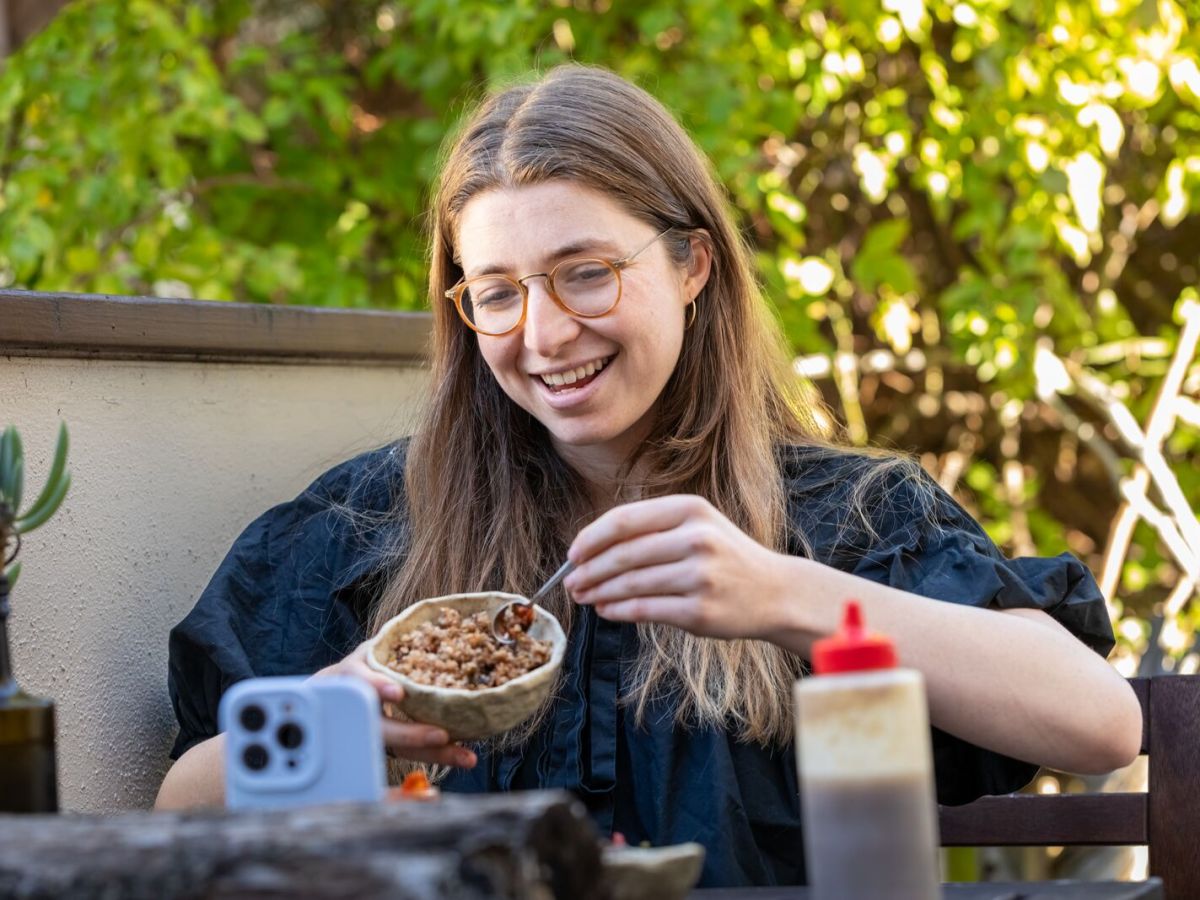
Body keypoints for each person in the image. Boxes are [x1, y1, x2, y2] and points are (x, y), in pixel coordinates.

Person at [155, 64, 1142, 886]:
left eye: (586, 272)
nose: (544, 336)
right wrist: (332, 713)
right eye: (497, 293)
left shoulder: (847, 517)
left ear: (692, 265)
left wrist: (783, 592)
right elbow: (178, 807)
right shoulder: (366, 525)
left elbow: (1096, 721)